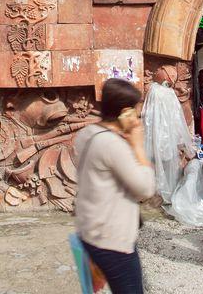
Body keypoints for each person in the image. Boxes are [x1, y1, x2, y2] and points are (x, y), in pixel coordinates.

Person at [74, 78, 155, 293]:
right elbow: (145, 188)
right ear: (125, 112)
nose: (138, 119)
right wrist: (138, 147)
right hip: (112, 239)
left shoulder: (87, 134)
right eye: (136, 112)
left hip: (90, 230)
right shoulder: (112, 144)